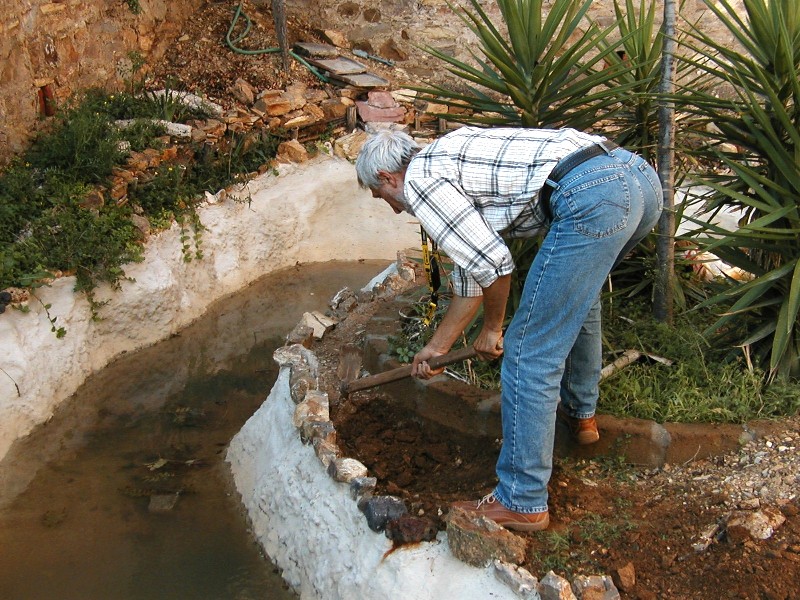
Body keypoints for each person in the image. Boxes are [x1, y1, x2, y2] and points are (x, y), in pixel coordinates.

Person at [355, 126, 663, 532]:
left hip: (595, 193)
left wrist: (494, 329)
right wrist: (438, 347)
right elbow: (471, 272)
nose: (393, 209)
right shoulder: (444, 159)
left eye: (382, 198)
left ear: (386, 178)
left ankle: (522, 499)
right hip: (638, 179)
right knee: (576, 298)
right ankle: (579, 415)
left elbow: (495, 266)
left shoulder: (421, 182)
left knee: (527, 352)